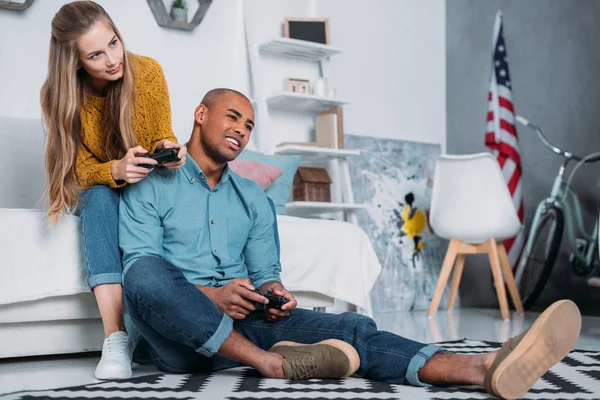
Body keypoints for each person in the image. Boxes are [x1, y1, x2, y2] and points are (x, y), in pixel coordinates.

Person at [119, 88, 582, 399]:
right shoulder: (154, 182)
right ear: (200, 115)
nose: (241, 129)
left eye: (250, 125)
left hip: (244, 322)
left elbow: (264, 272)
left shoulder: (253, 199)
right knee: (142, 273)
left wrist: (276, 294)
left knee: (351, 328)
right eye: (232, 117)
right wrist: (212, 297)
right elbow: (143, 274)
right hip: (176, 337)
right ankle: (268, 363)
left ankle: (480, 368)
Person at [40, 1, 187, 380]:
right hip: (95, 191)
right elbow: (74, 171)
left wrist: (170, 151)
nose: (111, 59)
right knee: (102, 197)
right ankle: (115, 336)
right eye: (95, 54)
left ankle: (152, 324)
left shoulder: (149, 72)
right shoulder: (61, 97)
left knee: (153, 194)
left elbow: (160, 134)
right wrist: (116, 169)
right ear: (74, 62)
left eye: (113, 43)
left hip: (145, 185)